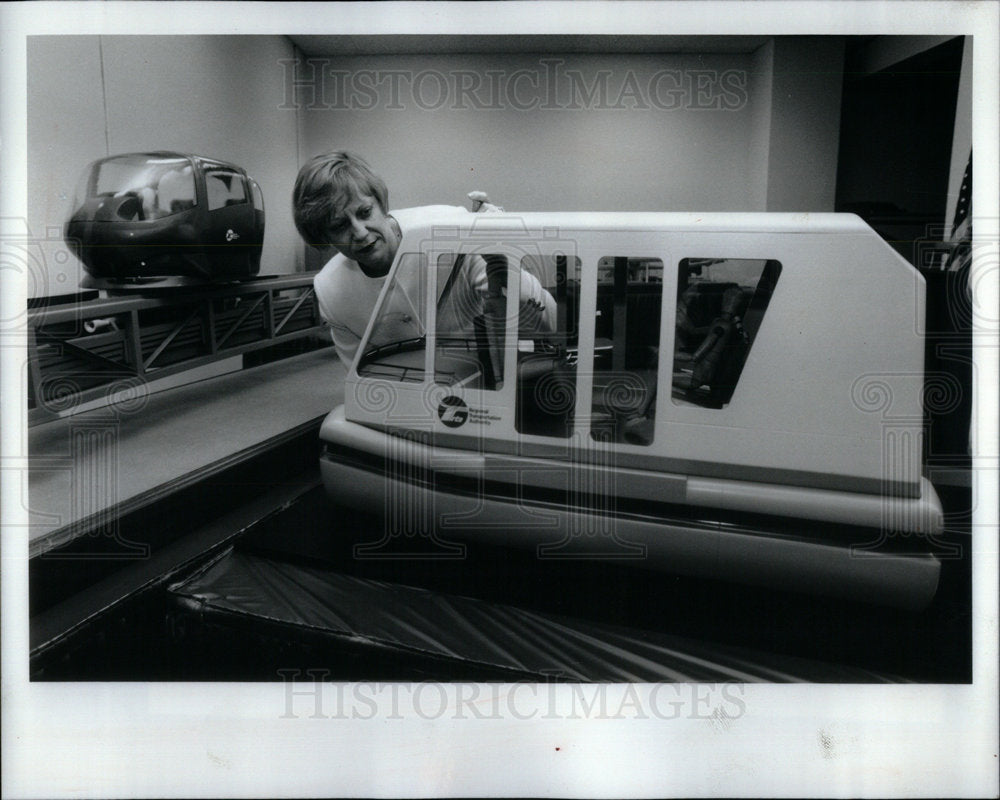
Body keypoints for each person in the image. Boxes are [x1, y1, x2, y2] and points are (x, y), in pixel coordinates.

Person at [292, 150, 554, 366]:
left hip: (487, 392)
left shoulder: (452, 229)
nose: (360, 232)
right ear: (322, 235)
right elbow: (359, 376)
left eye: (364, 212)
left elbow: (548, 323)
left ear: (380, 203)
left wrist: (502, 261)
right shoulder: (330, 289)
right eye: (339, 226)